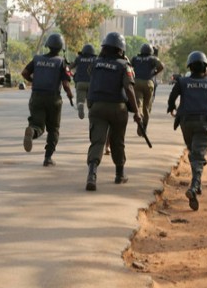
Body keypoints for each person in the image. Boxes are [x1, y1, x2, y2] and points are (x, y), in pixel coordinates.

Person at [167, 51, 207, 211]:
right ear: (205, 68)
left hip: (186, 123)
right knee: (198, 156)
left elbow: (172, 97)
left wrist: (171, 107)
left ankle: (196, 185)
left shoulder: (182, 81)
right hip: (204, 123)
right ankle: (194, 186)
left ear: (190, 67)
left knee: (194, 153)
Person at [85, 32, 142, 191]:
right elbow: (129, 88)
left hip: (97, 107)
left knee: (97, 141)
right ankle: (119, 174)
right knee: (117, 141)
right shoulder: (124, 66)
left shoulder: (96, 63)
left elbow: (92, 75)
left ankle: (92, 175)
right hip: (117, 108)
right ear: (121, 49)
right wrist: (137, 112)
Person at [22, 33, 74, 166]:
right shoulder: (61, 62)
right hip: (53, 99)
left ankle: (32, 131)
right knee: (53, 129)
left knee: (37, 124)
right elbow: (65, 84)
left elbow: (24, 73)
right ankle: (48, 157)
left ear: (48, 45)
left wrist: (33, 81)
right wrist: (70, 95)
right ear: (61, 47)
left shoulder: (37, 59)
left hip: (37, 97)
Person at [131, 43, 164, 134]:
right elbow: (161, 66)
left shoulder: (135, 58)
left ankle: (139, 115)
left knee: (139, 103)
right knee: (147, 106)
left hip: (136, 82)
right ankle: (144, 127)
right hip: (148, 83)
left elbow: (129, 66)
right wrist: (154, 73)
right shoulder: (153, 58)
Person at [70, 43, 96, 119]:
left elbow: (69, 68)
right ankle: (91, 112)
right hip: (91, 83)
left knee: (80, 99)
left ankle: (80, 105)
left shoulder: (78, 58)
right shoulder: (95, 60)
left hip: (80, 82)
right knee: (91, 101)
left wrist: (72, 74)